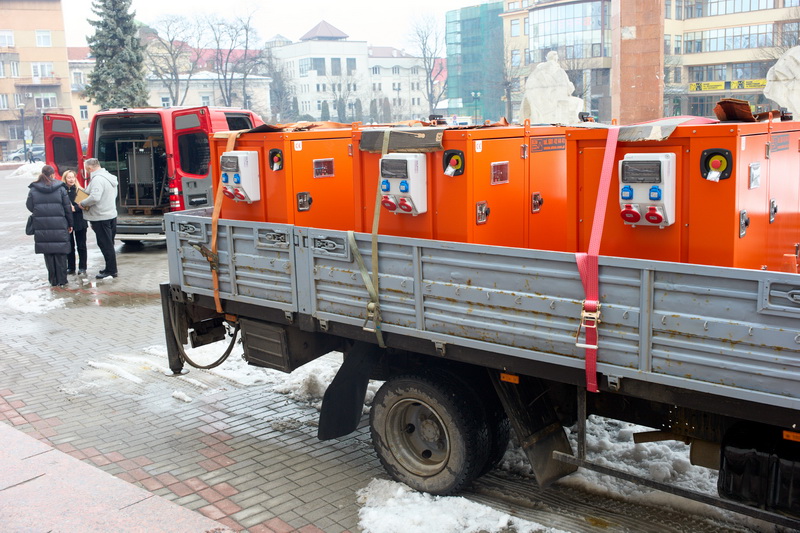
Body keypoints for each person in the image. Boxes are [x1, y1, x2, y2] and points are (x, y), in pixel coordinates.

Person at [26, 165, 73, 287]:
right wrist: (70, 223)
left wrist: (41, 212)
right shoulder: (61, 188)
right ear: (52, 174)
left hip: (42, 225)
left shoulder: (34, 189)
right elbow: (67, 208)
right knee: (61, 253)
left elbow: (30, 206)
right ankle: (62, 280)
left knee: (48, 254)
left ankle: (53, 280)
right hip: (60, 224)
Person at [78, 158, 119, 279]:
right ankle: (109, 268)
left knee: (105, 244)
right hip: (110, 214)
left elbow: (95, 197)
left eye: (86, 169)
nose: (86, 171)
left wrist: (83, 203)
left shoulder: (97, 179)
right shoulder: (109, 177)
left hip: (100, 216)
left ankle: (111, 270)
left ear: (90, 168)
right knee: (109, 243)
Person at [62, 169, 88, 275]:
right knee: (69, 246)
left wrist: (75, 208)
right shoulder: (62, 191)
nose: (71, 179)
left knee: (81, 245)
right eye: (69, 177)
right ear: (65, 179)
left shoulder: (80, 190)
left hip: (80, 221)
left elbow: (86, 206)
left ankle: (82, 267)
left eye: (73, 177)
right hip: (67, 222)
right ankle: (71, 267)